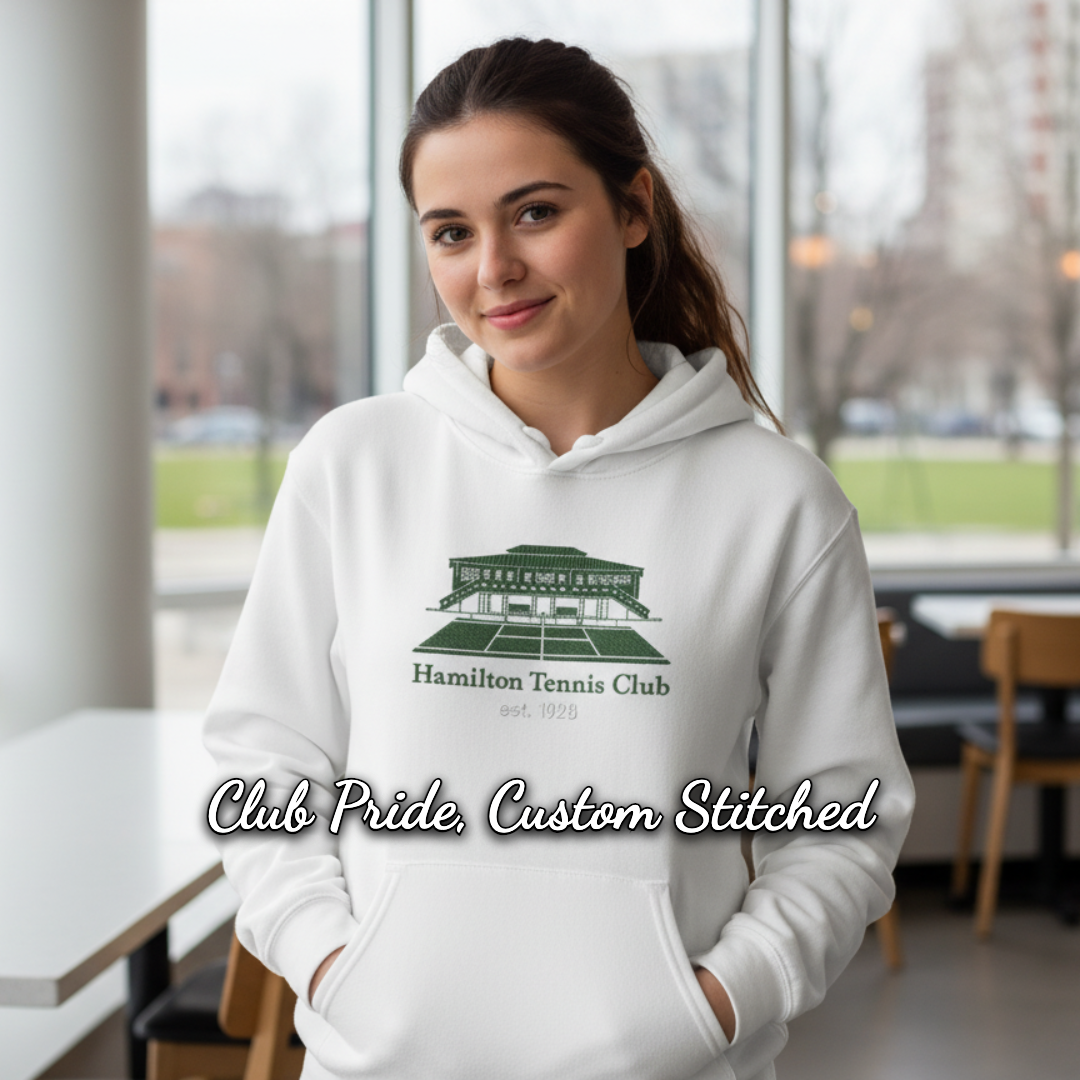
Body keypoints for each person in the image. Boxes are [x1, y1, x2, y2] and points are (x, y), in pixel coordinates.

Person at [203, 36, 914, 1080]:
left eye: (535, 212)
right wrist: (333, 963)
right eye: (452, 232)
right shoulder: (351, 466)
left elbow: (843, 823)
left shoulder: (779, 504)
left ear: (632, 210)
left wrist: (716, 1003)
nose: (493, 269)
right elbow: (262, 767)